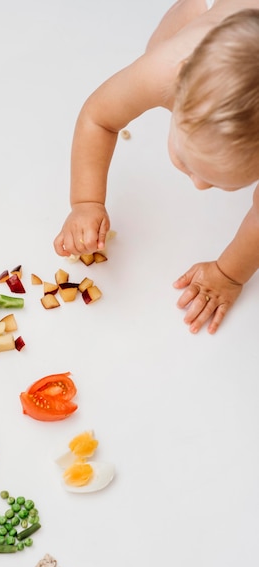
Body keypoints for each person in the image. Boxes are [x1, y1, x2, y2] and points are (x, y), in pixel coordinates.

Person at [53, 0, 259, 334]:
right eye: (187, 161)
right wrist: (86, 202)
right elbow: (98, 117)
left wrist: (228, 274)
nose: (198, 185)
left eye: (221, 182)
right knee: (161, 41)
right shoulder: (166, 68)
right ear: (177, 90)